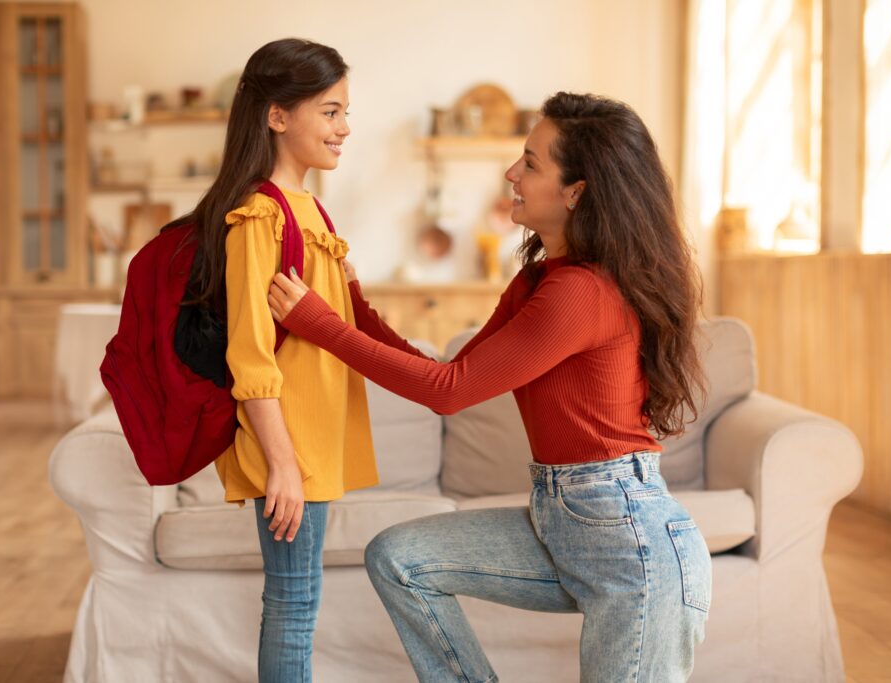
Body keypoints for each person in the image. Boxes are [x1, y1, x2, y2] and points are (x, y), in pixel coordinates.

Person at [267, 92, 712, 682]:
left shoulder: (583, 293)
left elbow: (448, 391)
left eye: (531, 162)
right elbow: (447, 375)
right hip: (563, 519)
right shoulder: (538, 282)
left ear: (576, 192)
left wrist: (318, 326)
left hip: (628, 540)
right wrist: (349, 306)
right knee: (400, 558)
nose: (512, 173)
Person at [176, 38, 376, 682]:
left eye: (346, 112)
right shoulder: (260, 216)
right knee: (292, 603)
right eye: (330, 111)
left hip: (308, 441)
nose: (345, 128)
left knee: (298, 599)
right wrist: (283, 465)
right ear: (277, 116)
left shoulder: (310, 209)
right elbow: (249, 354)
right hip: (287, 446)